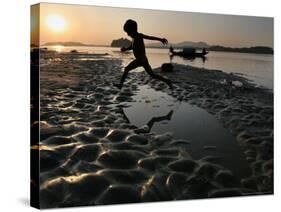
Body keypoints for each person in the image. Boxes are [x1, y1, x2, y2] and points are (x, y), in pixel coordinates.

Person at [114, 19, 173, 89]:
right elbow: (132, 47)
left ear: (132, 30)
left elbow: (150, 37)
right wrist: (125, 49)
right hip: (143, 59)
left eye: (128, 32)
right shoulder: (133, 39)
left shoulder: (139, 36)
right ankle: (167, 81)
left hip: (140, 59)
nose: (127, 34)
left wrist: (160, 39)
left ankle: (120, 85)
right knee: (152, 74)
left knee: (127, 69)